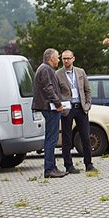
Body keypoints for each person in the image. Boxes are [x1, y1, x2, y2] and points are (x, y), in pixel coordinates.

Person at [57, 50, 96, 173]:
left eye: (68, 58)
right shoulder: (58, 74)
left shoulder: (80, 72)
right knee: (67, 138)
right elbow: (56, 93)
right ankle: (69, 165)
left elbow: (87, 90)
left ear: (73, 58)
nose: (66, 61)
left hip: (80, 108)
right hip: (67, 109)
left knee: (85, 136)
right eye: (64, 59)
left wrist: (87, 104)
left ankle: (89, 164)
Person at [33, 48, 68, 178]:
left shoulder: (44, 69)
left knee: (51, 138)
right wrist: (58, 104)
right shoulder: (46, 69)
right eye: (57, 57)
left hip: (47, 106)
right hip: (49, 108)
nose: (59, 59)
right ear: (51, 58)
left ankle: (52, 167)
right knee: (51, 140)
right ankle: (49, 169)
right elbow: (48, 88)